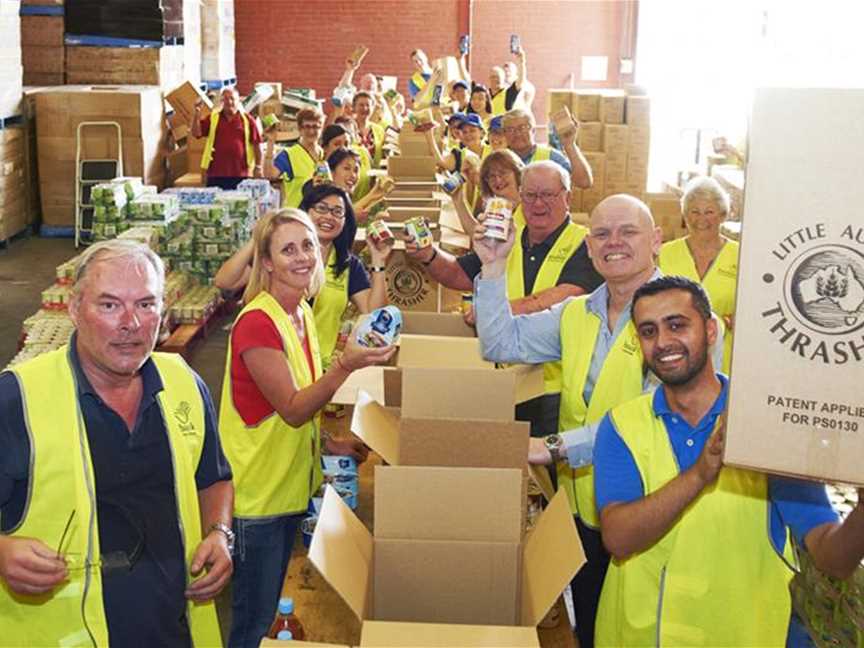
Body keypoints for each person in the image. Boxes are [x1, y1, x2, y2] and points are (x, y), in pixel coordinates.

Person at [591, 275, 864, 646]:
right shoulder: (621, 425)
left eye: (677, 325)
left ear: (710, 329)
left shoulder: (767, 425)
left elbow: (833, 557)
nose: (663, 342)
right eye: (648, 331)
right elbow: (618, 537)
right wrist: (701, 472)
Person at [0, 240, 233, 646]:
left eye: (146, 305)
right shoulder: (16, 399)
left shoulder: (184, 384)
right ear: (74, 309)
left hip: (172, 632)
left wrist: (219, 533)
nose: (131, 323)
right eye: (109, 305)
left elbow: (213, 478)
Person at [473, 194, 665, 648]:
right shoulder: (577, 313)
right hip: (583, 508)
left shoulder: (680, 321)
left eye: (627, 231)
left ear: (656, 241)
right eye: (601, 234)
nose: (613, 242)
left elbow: (657, 418)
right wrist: (494, 268)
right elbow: (500, 343)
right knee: (592, 626)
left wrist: (551, 447)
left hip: (650, 513)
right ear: (590, 247)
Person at [219, 209, 395, 648]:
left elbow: (294, 412)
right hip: (258, 497)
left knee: (271, 605)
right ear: (268, 261)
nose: (302, 257)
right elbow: (294, 409)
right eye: (288, 249)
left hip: (290, 485)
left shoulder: (298, 313)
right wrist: (345, 365)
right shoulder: (258, 322)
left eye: (309, 246)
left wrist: (328, 443)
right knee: (254, 622)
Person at [409, 161, 602, 439]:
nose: (538, 204)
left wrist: (492, 311)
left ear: (567, 198)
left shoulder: (584, 244)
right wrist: (428, 254)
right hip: (504, 378)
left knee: (544, 475)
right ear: (519, 197)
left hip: (553, 391)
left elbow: (566, 295)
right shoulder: (507, 238)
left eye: (548, 195)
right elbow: (458, 274)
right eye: (530, 195)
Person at [299, 183, 393, 366]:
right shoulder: (285, 255)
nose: (328, 216)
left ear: (345, 221)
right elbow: (226, 281)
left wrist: (378, 260)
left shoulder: (348, 264)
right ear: (305, 212)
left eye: (337, 212)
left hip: (321, 369)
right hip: (281, 361)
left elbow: (375, 315)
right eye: (321, 208)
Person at [659, 175, 738, 373]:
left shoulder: (741, 256)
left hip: (727, 361)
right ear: (685, 215)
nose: (701, 219)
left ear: (722, 215)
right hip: (674, 356)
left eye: (709, 212)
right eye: (694, 211)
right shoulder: (665, 253)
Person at [503, 108, 592, 190]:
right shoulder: (499, 160)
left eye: (522, 128)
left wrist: (570, 145)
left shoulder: (551, 156)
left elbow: (584, 182)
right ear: (504, 133)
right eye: (510, 129)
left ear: (533, 130)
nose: (517, 134)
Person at [193, 87, 263, 190]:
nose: (229, 102)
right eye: (225, 99)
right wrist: (197, 113)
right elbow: (196, 133)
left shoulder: (248, 120)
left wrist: (258, 167)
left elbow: (257, 145)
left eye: (232, 99)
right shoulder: (213, 118)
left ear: (238, 101)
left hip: (241, 174)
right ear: (221, 101)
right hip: (215, 174)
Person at [265, 107, 325, 208]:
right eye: (307, 127)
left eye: (315, 127)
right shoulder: (288, 155)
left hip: (318, 215)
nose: (311, 131)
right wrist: (271, 142)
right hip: (295, 216)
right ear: (300, 129)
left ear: (321, 129)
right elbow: (269, 175)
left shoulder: (324, 154)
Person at [326, 147, 390, 220]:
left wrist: (375, 220)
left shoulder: (344, 200)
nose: (353, 175)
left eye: (356, 170)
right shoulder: (323, 199)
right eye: (346, 168)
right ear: (331, 172)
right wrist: (352, 216)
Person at [488, 46, 526, 116]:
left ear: (503, 78)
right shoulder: (485, 94)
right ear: (489, 79)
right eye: (493, 77)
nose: (495, 79)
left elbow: (520, 81)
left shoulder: (508, 94)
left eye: (498, 77)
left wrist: (521, 61)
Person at [353, 92, 386, 168]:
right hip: (354, 177)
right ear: (354, 107)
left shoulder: (379, 130)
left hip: (375, 176)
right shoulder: (347, 128)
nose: (365, 108)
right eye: (361, 105)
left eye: (368, 105)